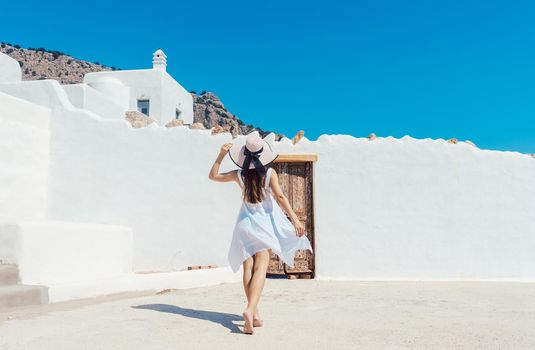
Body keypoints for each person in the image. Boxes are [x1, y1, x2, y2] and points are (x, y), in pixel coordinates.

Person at [208, 131, 313, 335]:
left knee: (248, 268)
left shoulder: (239, 175)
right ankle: (249, 309)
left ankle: (254, 313)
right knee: (261, 268)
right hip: (262, 226)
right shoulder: (270, 174)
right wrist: (295, 219)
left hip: (244, 225)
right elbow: (281, 197)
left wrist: (221, 155)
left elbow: (213, 176)